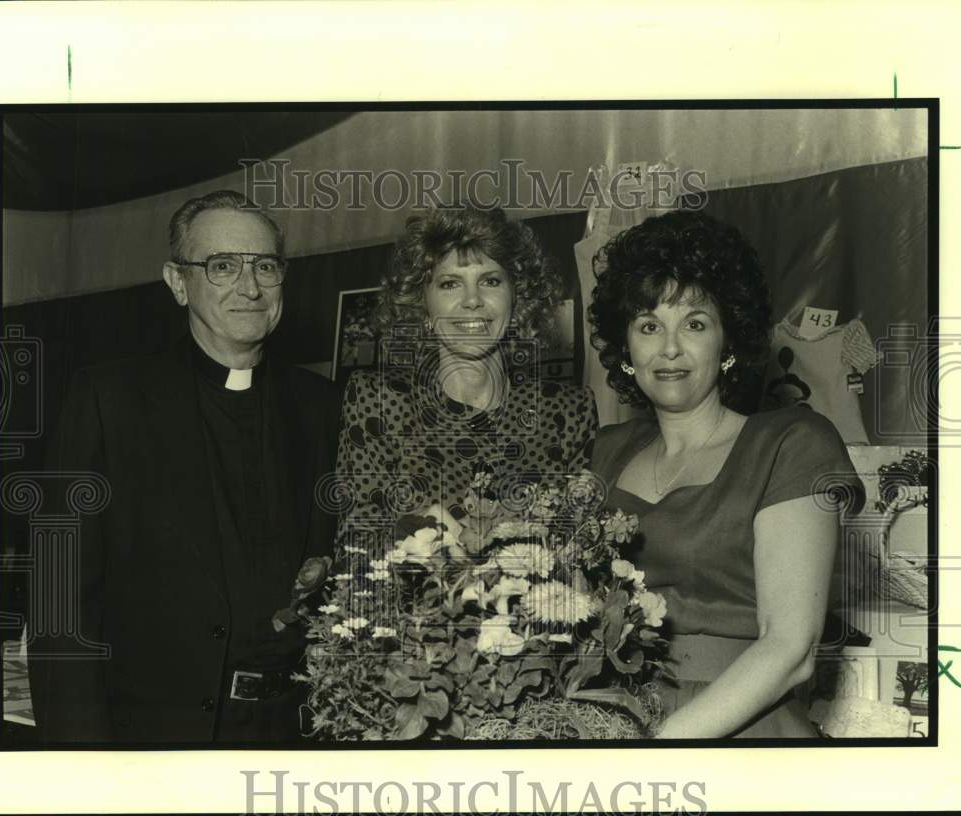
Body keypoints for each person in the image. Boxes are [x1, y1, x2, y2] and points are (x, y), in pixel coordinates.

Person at [28, 190, 338, 744]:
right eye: (222, 266)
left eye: (265, 266)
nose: (250, 287)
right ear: (177, 282)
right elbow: (60, 604)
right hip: (153, 736)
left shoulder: (323, 406)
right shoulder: (106, 399)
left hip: (299, 733)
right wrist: (76, 766)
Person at [587, 210, 861, 738]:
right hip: (614, 717)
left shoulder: (793, 443)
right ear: (627, 351)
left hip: (742, 727)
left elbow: (791, 649)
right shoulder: (604, 453)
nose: (669, 348)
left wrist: (657, 754)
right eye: (649, 326)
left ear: (728, 343)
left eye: (694, 323)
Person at [336, 204, 597, 549]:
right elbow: (354, 548)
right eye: (449, 284)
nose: (472, 300)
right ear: (421, 303)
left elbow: (581, 553)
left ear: (517, 298)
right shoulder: (380, 400)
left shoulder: (568, 411)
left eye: (490, 281)